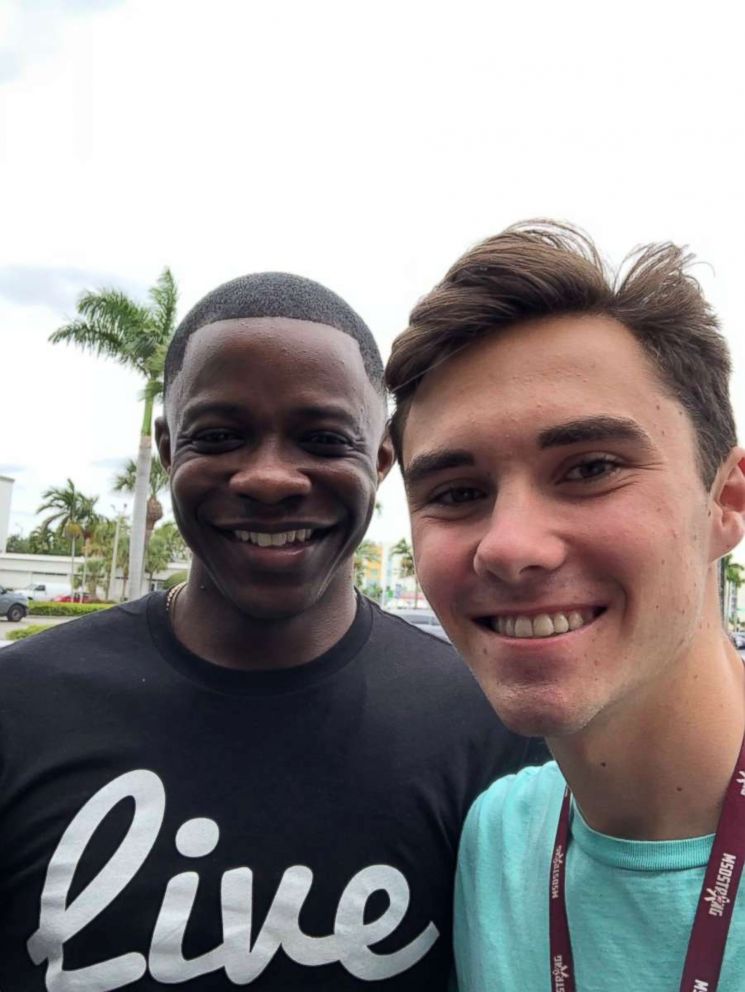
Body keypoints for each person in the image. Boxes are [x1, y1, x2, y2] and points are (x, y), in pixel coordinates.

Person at [0, 272, 539, 992]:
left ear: (382, 459)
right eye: (220, 437)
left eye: (321, 440)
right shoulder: (20, 706)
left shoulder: (491, 729)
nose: (268, 478)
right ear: (168, 450)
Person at [385, 222, 745, 991]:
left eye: (588, 468)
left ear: (726, 500)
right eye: (455, 493)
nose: (509, 546)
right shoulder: (496, 839)